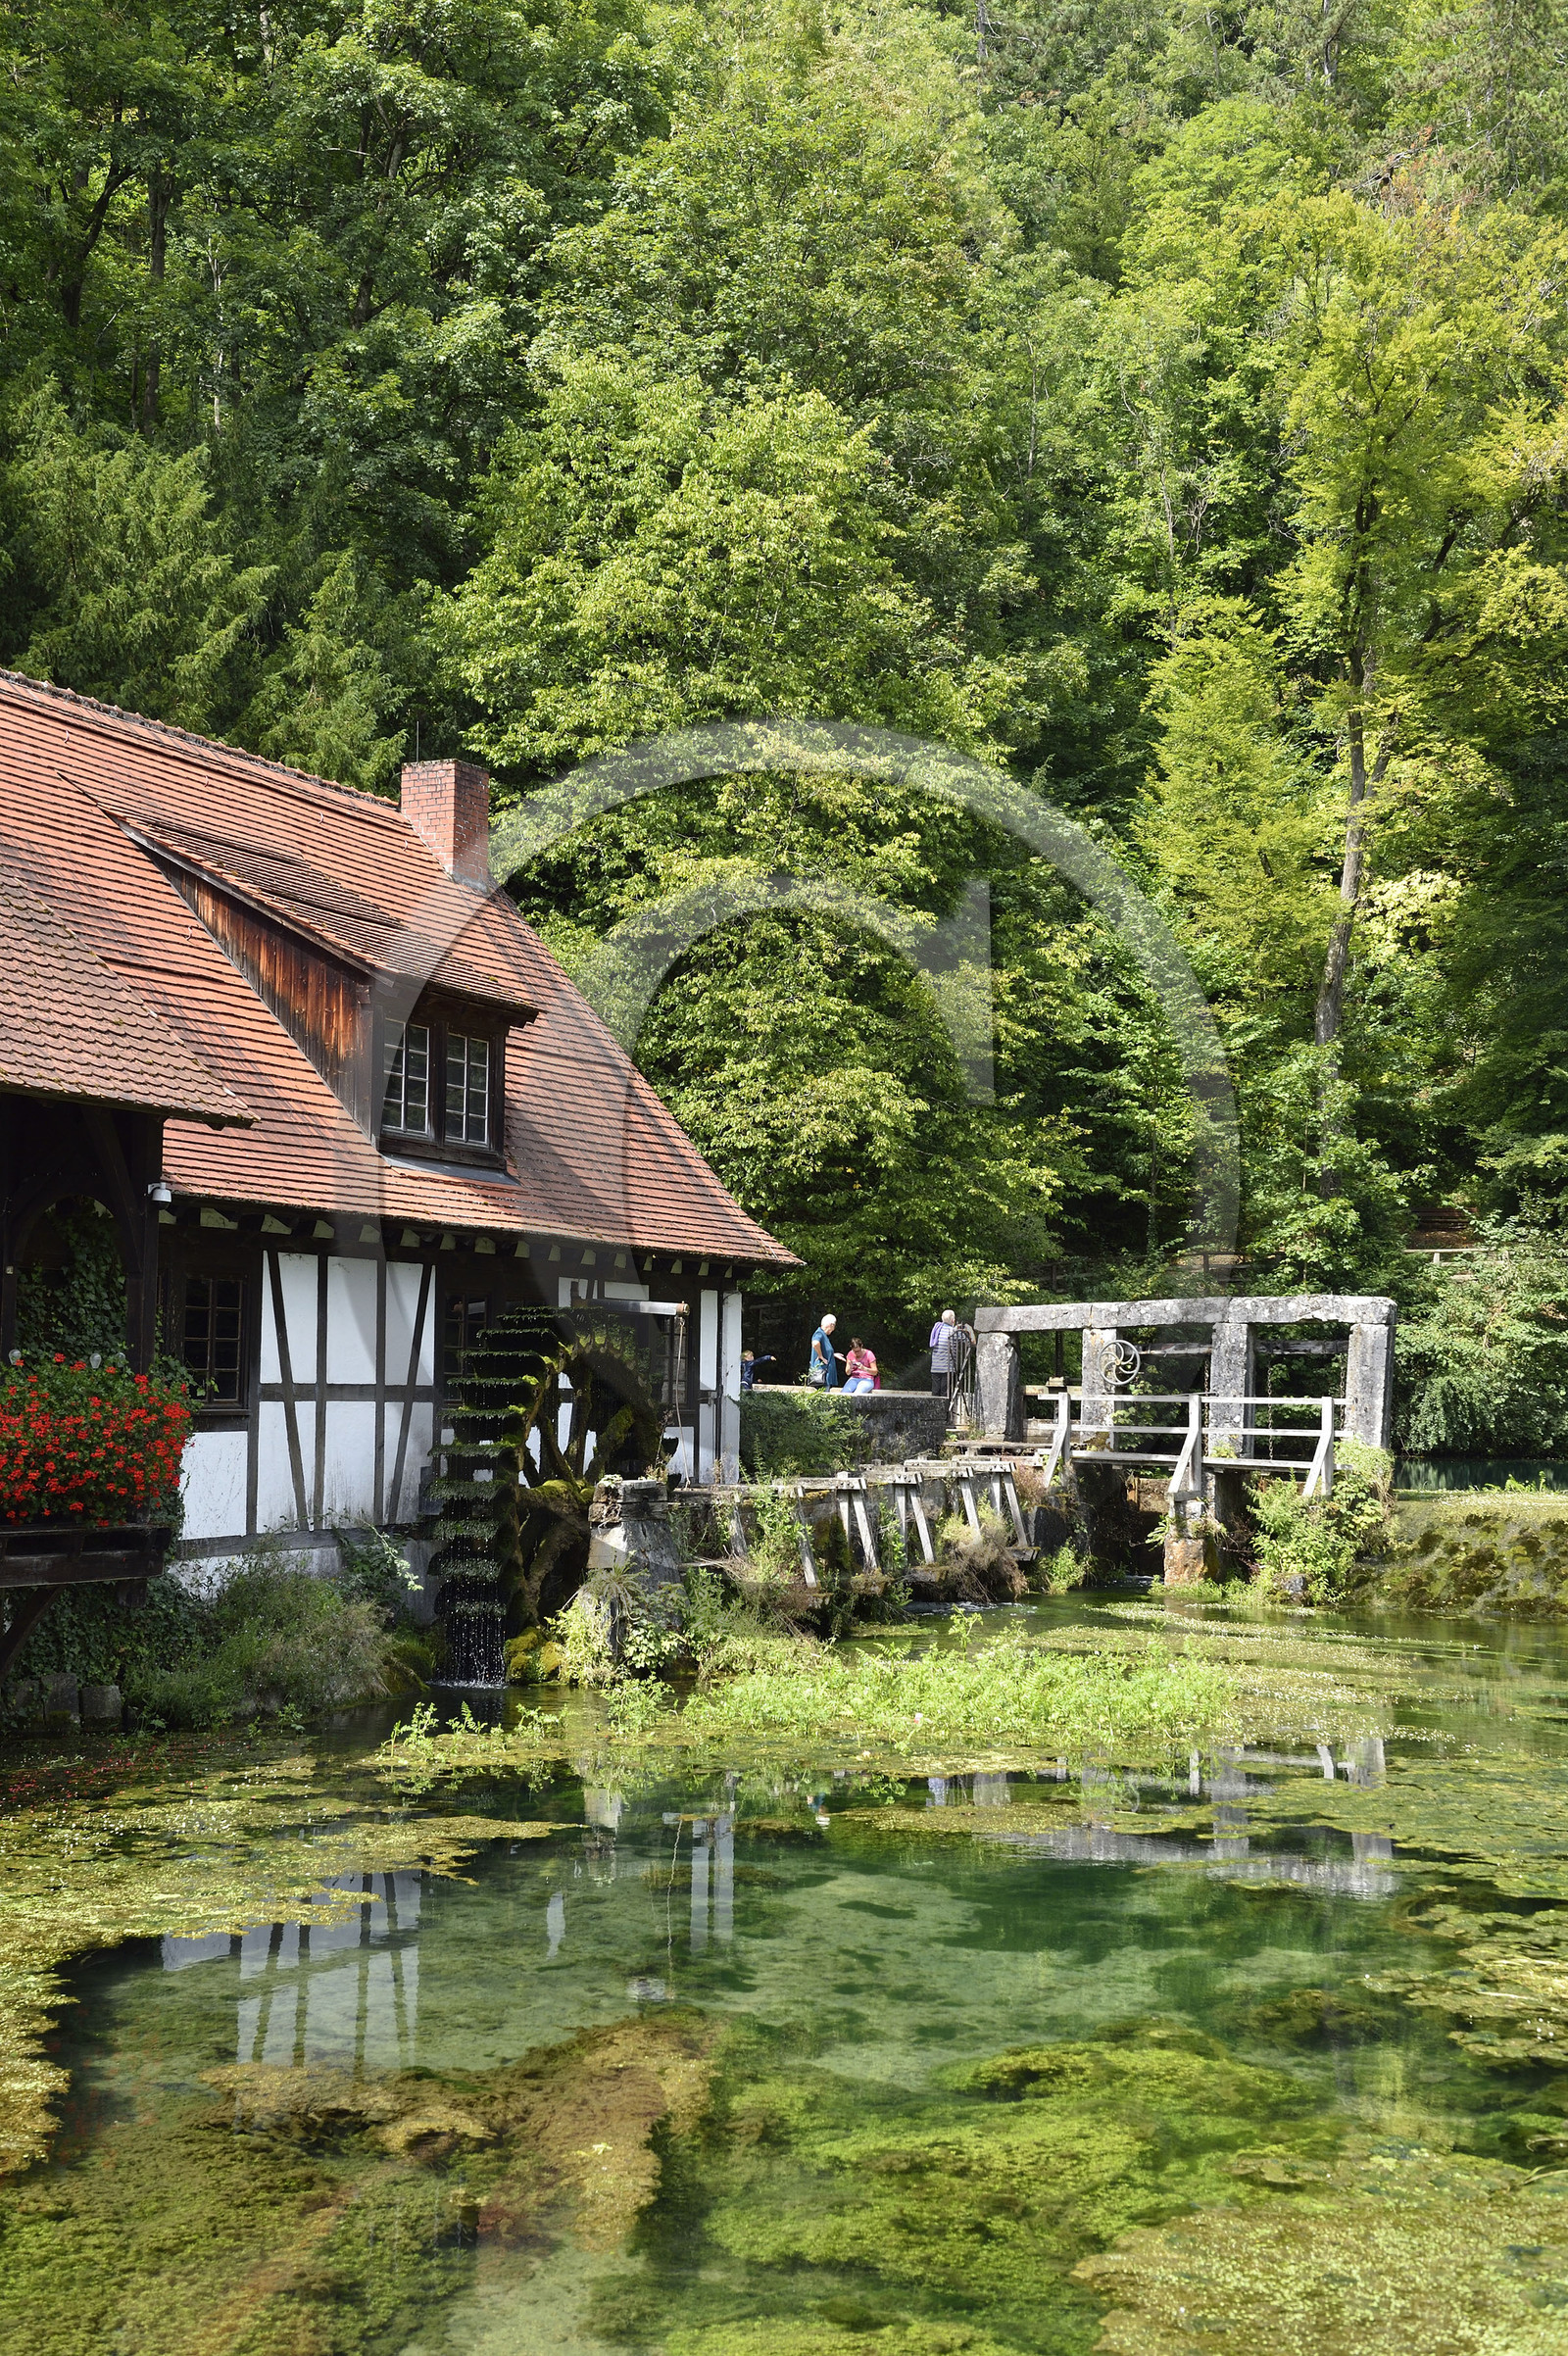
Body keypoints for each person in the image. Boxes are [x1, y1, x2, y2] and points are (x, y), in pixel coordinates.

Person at [929, 1307, 959, 1400]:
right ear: (953, 1320)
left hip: (935, 1367)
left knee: (935, 1393)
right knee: (945, 1394)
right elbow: (971, 1342)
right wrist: (969, 1329)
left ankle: (934, 1412)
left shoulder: (936, 1330)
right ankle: (945, 1414)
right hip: (947, 1368)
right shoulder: (954, 1332)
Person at [808, 1314, 839, 1389]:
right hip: (821, 1375)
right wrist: (820, 1355)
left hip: (824, 1375)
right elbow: (815, 1343)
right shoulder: (819, 1333)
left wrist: (832, 1354)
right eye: (834, 1326)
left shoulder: (823, 1335)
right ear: (831, 1325)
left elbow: (824, 1349)